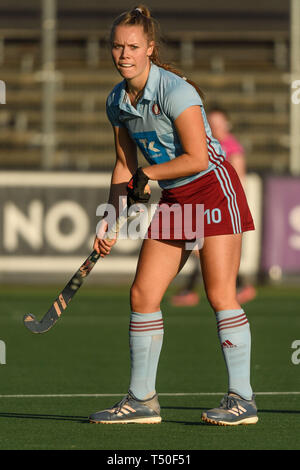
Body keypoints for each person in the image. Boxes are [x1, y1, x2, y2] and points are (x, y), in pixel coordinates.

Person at [89, 5, 258, 426]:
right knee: (143, 294)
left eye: (132, 46)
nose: (123, 54)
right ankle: (142, 400)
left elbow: (198, 158)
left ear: (150, 48)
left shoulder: (176, 91)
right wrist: (111, 217)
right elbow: (125, 165)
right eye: (117, 46)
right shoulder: (116, 100)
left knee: (219, 294)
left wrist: (148, 173)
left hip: (213, 190)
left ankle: (242, 399)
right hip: (177, 198)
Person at [171, 106, 257, 306]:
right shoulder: (203, 144)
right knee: (200, 249)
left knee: (204, 249)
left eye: (219, 123)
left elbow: (238, 179)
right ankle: (235, 286)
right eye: (212, 123)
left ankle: (196, 290)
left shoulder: (232, 148)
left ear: (228, 124)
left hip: (221, 205)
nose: (216, 127)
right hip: (203, 203)